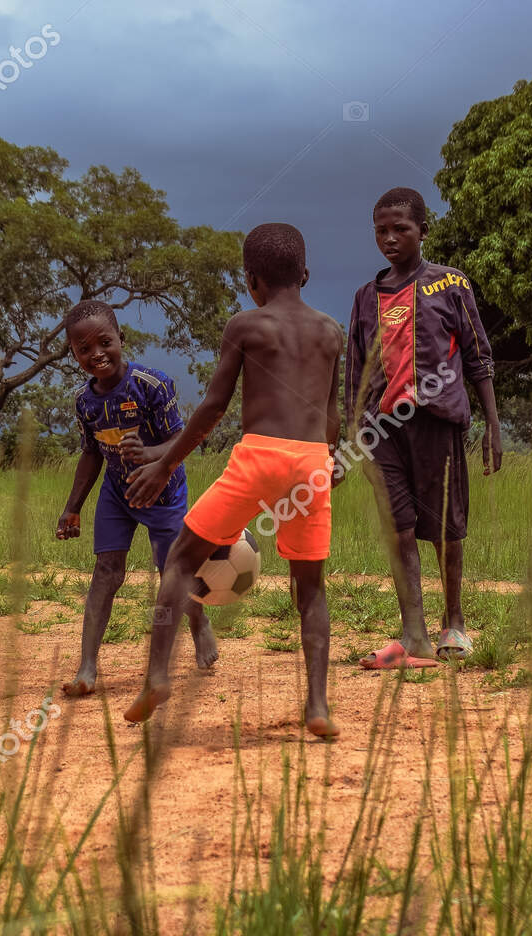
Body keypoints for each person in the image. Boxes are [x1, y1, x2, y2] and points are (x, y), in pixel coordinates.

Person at [123, 223, 342, 738]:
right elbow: (332, 414)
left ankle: (156, 675)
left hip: (259, 456)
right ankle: (317, 706)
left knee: (180, 559)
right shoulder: (331, 332)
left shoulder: (245, 326)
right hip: (312, 460)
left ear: (251, 280)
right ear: (305, 274)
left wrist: (165, 464)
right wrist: (329, 463)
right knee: (310, 588)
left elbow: (214, 408)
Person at [346, 186, 501, 668]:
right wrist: (350, 438)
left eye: (401, 229)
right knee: (400, 528)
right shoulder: (366, 297)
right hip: (382, 431)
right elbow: (355, 371)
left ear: (422, 231)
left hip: (438, 423)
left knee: (447, 528)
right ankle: (412, 633)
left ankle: (453, 623)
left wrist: (493, 424)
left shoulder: (450, 284)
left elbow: (478, 357)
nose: (390, 238)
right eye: (381, 231)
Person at [54, 300, 216, 697]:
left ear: (121, 339)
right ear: (73, 354)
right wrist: (72, 507)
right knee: (106, 573)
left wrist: (152, 457)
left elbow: (185, 438)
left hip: (165, 492)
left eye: (104, 342)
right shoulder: (84, 401)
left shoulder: (151, 385)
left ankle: (199, 622)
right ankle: (86, 666)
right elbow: (91, 453)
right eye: (83, 350)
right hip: (117, 492)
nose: (97, 355)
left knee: (171, 575)